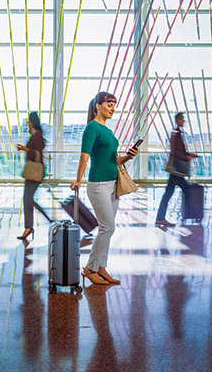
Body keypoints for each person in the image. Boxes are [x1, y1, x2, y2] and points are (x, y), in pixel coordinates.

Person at [70, 92, 138, 286]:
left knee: (106, 229)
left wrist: (129, 156)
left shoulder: (107, 131)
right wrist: (78, 180)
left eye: (114, 105)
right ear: (98, 105)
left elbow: (113, 160)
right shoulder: (92, 128)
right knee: (108, 226)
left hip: (113, 183)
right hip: (98, 185)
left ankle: (101, 267)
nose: (112, 108)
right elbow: (84, 157)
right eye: (109, 104)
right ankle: (90, 268)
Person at [155, 112, 198, 227]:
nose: (184, 121)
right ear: (178, 120)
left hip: (175, 170)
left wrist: (189, 154)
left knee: (172, 193)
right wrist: (187, 156)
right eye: (182, 119)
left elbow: (179, 150)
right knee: (182, 191)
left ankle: (161, 218)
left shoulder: (177, 132)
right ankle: (190, 214)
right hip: (176, 170)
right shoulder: (176, 133)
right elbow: (176, 151)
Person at [17, 111, 47, 240]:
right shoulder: (35, 135)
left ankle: (45, 217)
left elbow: (37, 152)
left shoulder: (37, 136)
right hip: (32, 171)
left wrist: (25, 150)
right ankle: (28, 227)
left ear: (32, 122)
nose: (27, 123)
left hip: (35, 171)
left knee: (28, 199)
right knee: (27, 199)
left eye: (29, 120)